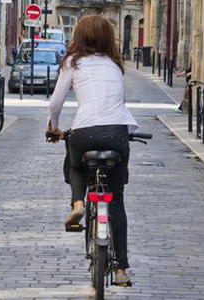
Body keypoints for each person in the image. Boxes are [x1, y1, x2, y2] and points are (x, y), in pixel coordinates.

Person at [46, 14, 139, 285]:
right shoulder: (115, 65)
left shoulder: (72, 63)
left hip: (85, 133)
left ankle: (77, 203)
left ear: (79, 36)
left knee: (75, 163)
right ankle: (121, 269)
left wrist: (53, 128)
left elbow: (55, 105)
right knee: (117, 201)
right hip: (117, 134)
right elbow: (116, 103)